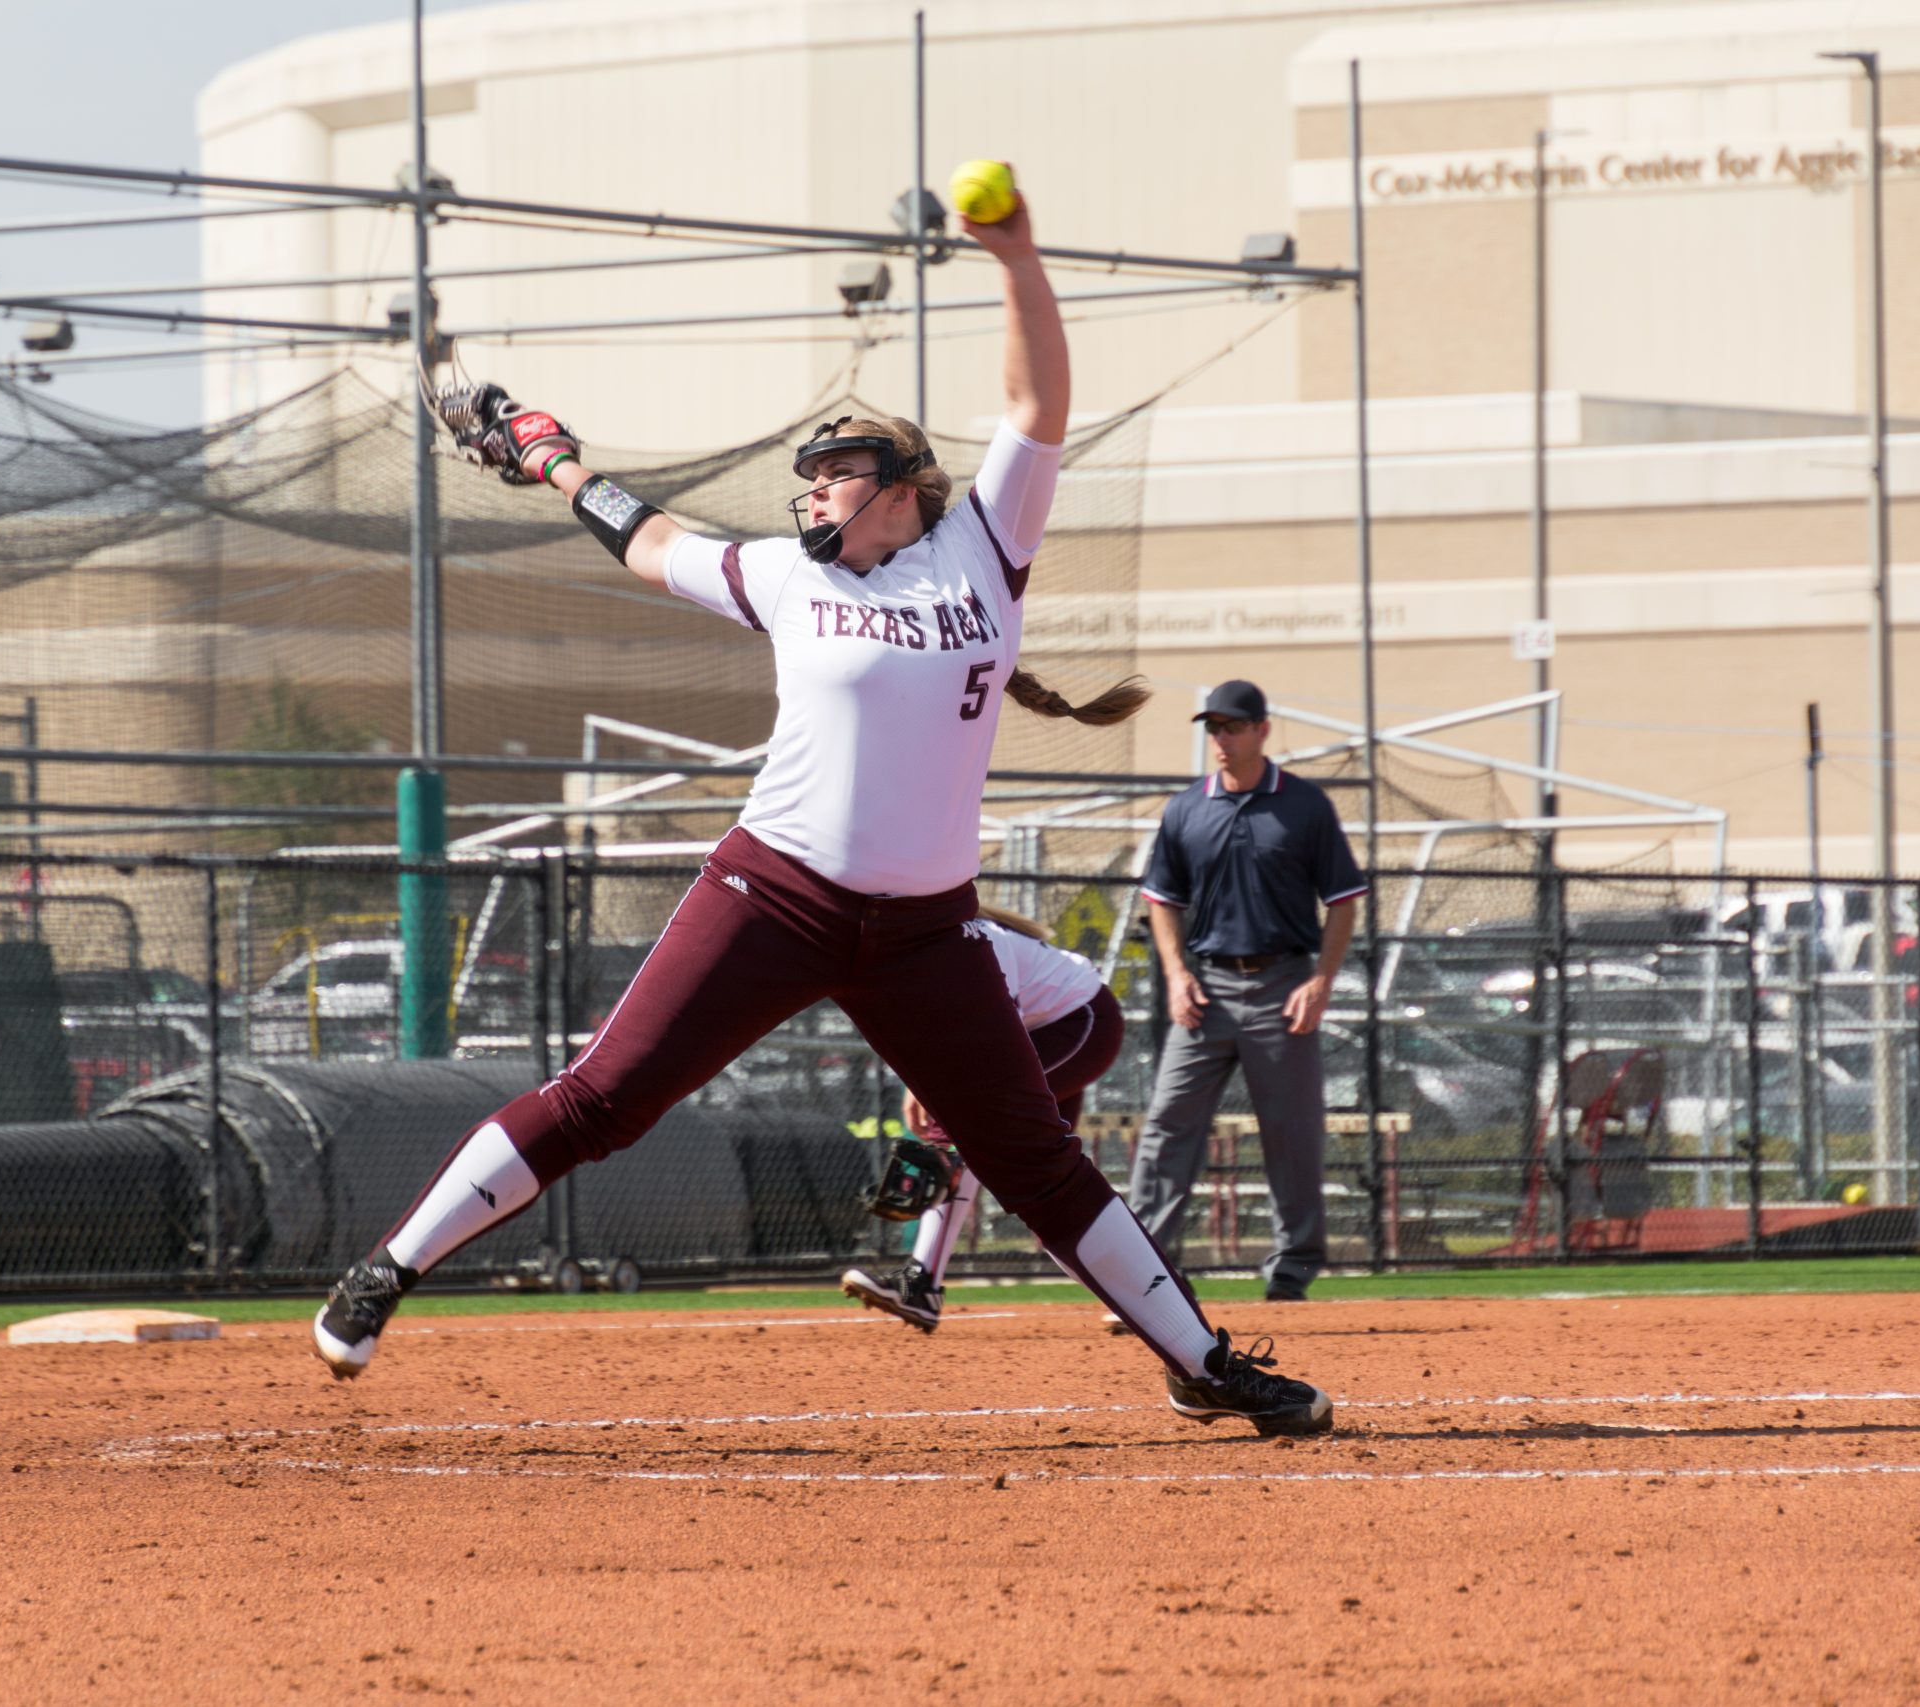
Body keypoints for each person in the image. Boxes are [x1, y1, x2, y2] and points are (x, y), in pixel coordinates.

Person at [312, 193, 1333, 1438]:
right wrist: (552, 457)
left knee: (1036, 1163)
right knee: (606, 1100)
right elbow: (650, 540)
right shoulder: (786, 575)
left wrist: (1014, 258)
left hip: (922, 934)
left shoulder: (979, 553)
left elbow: (1036, 408)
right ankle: (385, 1274)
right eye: (807, 478)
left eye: (836, 472)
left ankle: (1201, 1362)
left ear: (901, 486)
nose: (812, 492)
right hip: (773, 896)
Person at [1124, 680, 1365, 1309]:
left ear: (1263, 729)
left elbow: (1343, 901)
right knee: (1166, 1127)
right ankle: (1145, 1272)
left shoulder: (1305, 806)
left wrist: (1321, 981)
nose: (1222, 740)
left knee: (1291, 1133)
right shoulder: (1184, 810)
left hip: (1284, 984)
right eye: (1214, 729)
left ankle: (1292, 1269)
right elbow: (1160, 901)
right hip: (1206, 990)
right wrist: (1177, 976)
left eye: (1233, 727)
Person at [840, 904, 1126, 1331]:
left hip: (1080, 1026)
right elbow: (922, 1029)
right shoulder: (911, 951)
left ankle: (921, 1282)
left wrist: (939, 1110)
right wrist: (917, 1085)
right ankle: (1140, 1293)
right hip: (1040, 1030)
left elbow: (991, 1037)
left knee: (971, 1122)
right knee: (1046, 1180)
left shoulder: (974, 941)